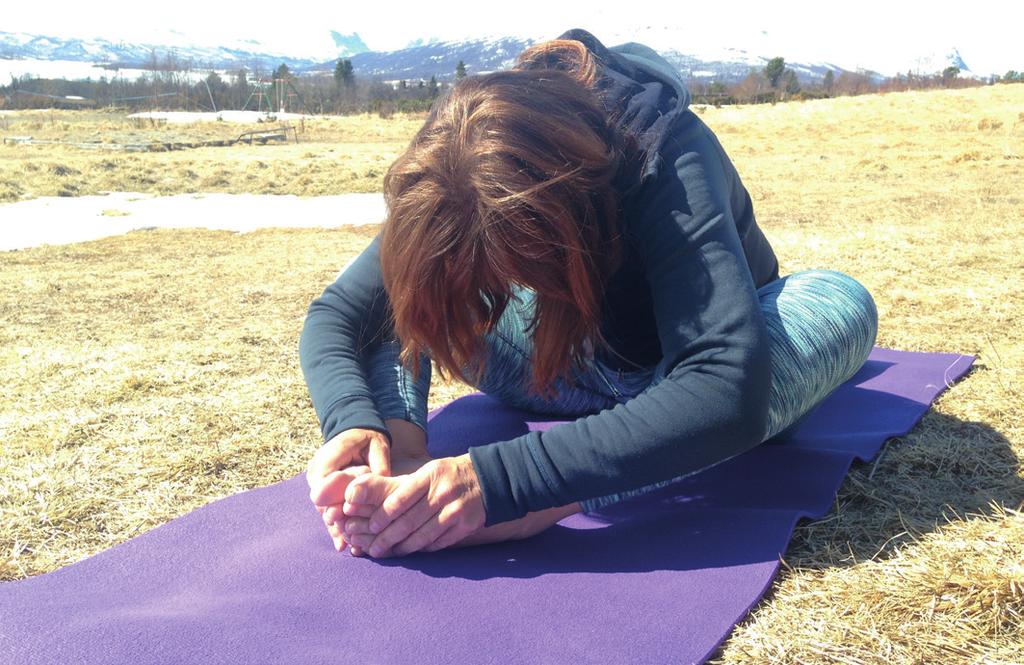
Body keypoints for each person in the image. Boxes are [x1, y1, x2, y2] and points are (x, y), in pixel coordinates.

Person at [299, 29, 878, 559]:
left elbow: (723, 386)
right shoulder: (460, 163)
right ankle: (403, 453)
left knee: (840, 299)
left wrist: (512, 489)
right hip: (561, 372)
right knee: (405, 299)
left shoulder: (663, 151)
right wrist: (361, 426)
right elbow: (342, 314)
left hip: (677, 375)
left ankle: (624, 448)